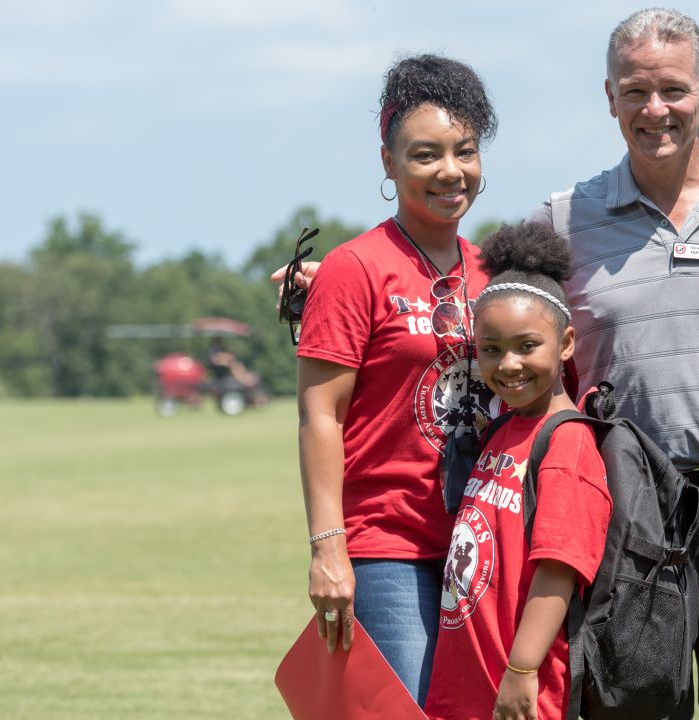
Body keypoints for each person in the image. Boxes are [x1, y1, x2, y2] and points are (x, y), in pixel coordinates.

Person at [530, 9, 699, 719]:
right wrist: (332, 284)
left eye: (673, 90)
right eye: (635, 91)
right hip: (630, 512)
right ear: (609, 97)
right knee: (637, 707)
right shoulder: (562, 220)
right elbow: (481, 307)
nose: (656, 110)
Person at [293, 53, 498, 706]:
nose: (450, 172)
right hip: (387, 551)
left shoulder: (494, 269)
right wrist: (330, 549)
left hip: (482, 545)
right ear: (388, 162)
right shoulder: (354, 268)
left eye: (464, 152)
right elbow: (319, 415)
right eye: (425, 155)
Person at [424, 223, 612, 720]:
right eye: (491, 349)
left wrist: (523, 669)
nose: (508, 364)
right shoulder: (501, 430)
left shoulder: (567, 440)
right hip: (468, 681)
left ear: (567, 343)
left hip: (525, 691)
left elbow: (560, 566)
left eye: (527, 346)